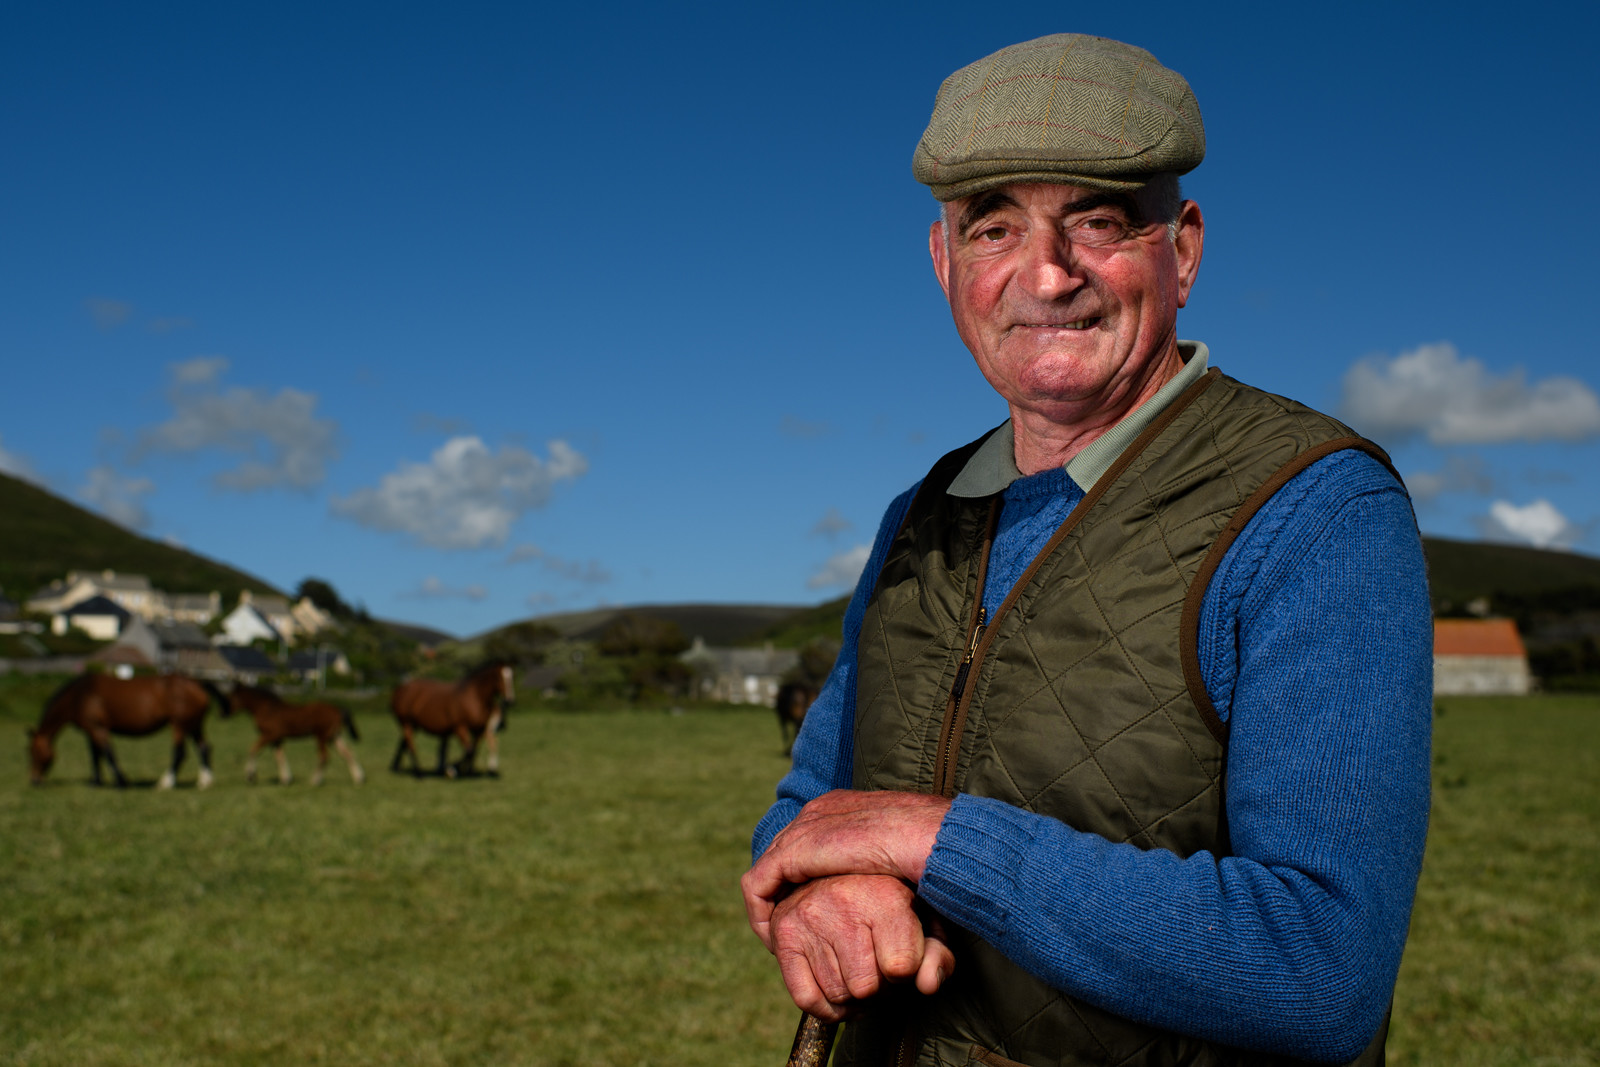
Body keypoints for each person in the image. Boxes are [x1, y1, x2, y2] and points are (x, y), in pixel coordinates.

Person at [741, 33, 1432, 1067]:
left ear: (1182, 250)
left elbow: (1321, 966)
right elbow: (814, 809)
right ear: (943, 262)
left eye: (1099, 221)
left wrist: (936, 840)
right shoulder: (917, 516)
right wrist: (823, 888)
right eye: (992, 227)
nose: (1045, 273)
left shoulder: (1316, 508)